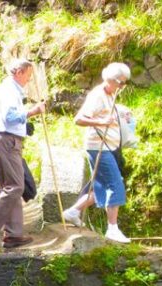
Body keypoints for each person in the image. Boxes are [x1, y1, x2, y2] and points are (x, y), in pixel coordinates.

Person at [0, 58, 45, 249]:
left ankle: (13, 235)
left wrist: (24, 126)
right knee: (14, 187)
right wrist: (32, 112)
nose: (29, 80)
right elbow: (9, 116)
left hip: (7, 140)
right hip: (7, 142)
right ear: (18, 72)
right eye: (28, 76)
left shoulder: (10, 91)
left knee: (11, 187)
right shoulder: (9, 91)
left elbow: (11, 119)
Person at [62, 62, 132, 244]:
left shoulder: (111, 94)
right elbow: (79, 119)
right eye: (121, 83)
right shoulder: (98, 95)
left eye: (125, 83)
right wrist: (103, 122)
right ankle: (112, 228)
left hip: (111, 146)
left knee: (100, 185)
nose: (123, 87)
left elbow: (108, 115)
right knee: (115, 184)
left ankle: (74, 211)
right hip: (98, 146)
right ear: (111, 80)